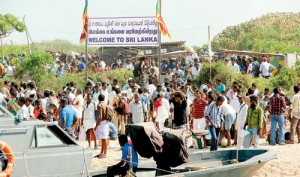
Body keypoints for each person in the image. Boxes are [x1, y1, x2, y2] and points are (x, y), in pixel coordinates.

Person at [95, 94, 109, 158]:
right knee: (104, 138)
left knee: (104, 138)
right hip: (106, 122)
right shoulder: (105, 104)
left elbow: (100, 117)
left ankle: (105, 153)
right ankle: (102, 152)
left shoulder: (99, 105)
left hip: (102, 122)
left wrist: (96, 125)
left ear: (98, 99)